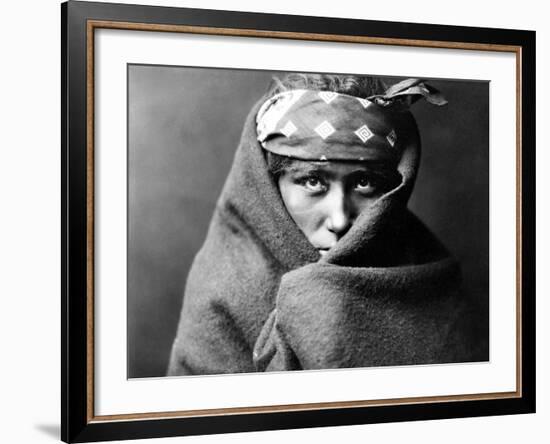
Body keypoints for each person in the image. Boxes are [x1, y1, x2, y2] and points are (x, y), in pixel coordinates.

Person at [167, 73, 478, 376]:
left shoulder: (425, 273)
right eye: (313, 181)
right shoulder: (224, 292)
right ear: (269, 185)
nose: (340, 220)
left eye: (364, 182)